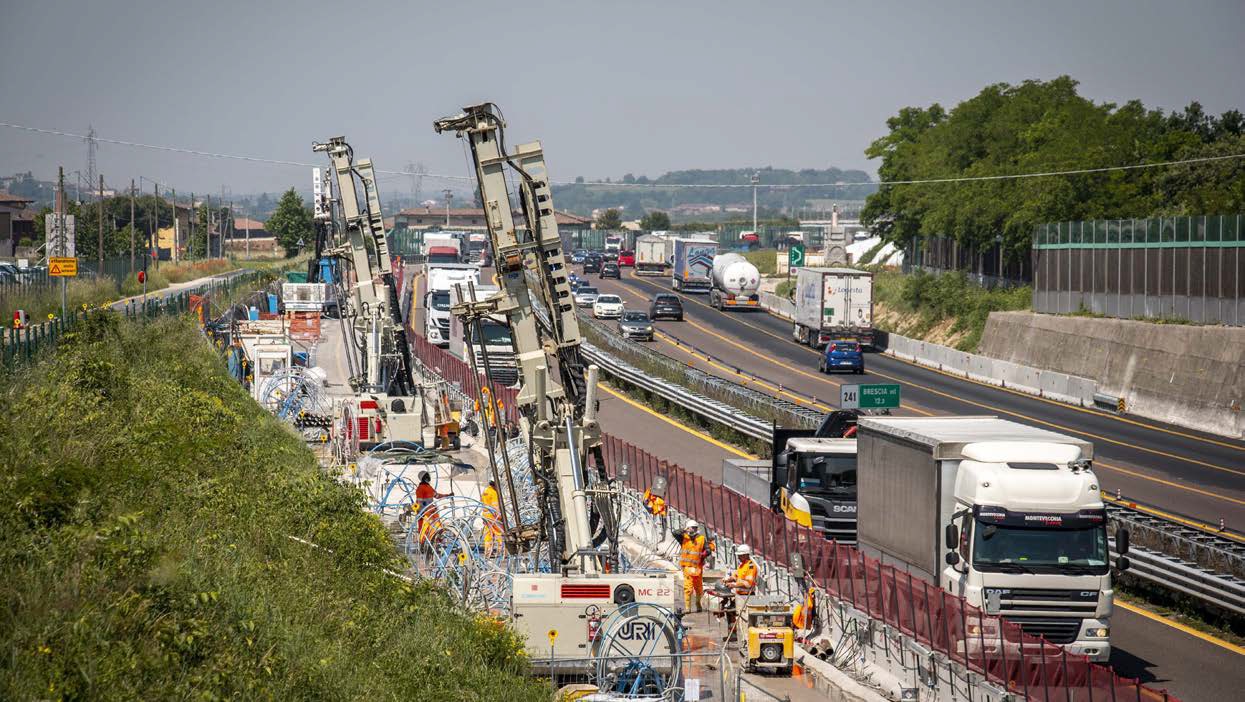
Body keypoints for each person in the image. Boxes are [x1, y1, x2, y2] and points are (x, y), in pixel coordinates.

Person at [672, 520, 713, 613]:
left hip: (697, 568)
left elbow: (708, 550)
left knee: (699, 588)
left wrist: (704, 554)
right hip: (687, 567)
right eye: (692, 527)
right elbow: (674, 533)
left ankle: (698, 603)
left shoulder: (701, 539)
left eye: (695, 528)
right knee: (688, 588)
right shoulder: (683, 538)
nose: (693, 529)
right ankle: (687, 608)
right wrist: (685, 530)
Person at [721, 544, 758, 642]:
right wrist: (728, 579)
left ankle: (748, 640)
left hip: (747, 597)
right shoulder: (742, 565)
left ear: (746, 555)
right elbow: (736, 575)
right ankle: (743, 639)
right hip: (740, 596)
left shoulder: (751, 566)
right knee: (740, 619)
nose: (738, 557)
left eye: (740, 555)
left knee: (746, 620)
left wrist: (733, 585)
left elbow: (748, 584)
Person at [415, 472, 453, 542]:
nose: (427, 478)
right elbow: (419, 502)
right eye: (426, 476)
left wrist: (448, 495)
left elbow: (437, 495)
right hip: (425, 512)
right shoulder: (420, 488)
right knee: (425, 528)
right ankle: (424, 543)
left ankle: (435, 541)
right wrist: (420, 513)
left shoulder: (428, 487)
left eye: (427, 476)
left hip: (430, 510)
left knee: (435, 526)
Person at [481, 480, 502, 554]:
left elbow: (482, 503)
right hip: (492, 515)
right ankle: (501, 549)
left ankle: (488, 550)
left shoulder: (485, 491)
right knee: (499, 532)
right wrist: (500, 516)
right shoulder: (494, 493)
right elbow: (495, 505)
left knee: (488, 533)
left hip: (485, 515)